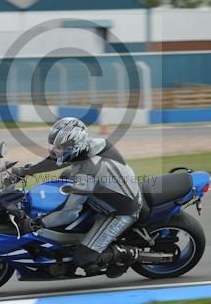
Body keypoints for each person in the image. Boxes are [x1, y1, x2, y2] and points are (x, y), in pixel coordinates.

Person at [12, 117, 142, 278]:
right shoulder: (93, 144)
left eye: (60, 148)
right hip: (112, 189)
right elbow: (54, 161)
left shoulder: (88, 170)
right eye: (54, 146)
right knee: (66, 175)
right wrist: (24, 172)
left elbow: (69, 212)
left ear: (75, 145)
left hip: (120, 212)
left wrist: (37, 223)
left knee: (84, 257)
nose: (55, 151)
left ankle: (127, 253)